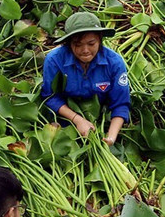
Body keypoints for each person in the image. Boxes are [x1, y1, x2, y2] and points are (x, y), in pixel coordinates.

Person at [41, 12, 131, 144]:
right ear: (68, 43)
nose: (85, 50)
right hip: (63, 120)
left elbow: (121, 103)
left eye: (91, 43)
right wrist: (78, 120)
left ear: (100, 40)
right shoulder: (54, 60)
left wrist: (110, 137)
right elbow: (50, 96)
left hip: (100, 121)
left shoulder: (114, 62)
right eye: (78, 44)